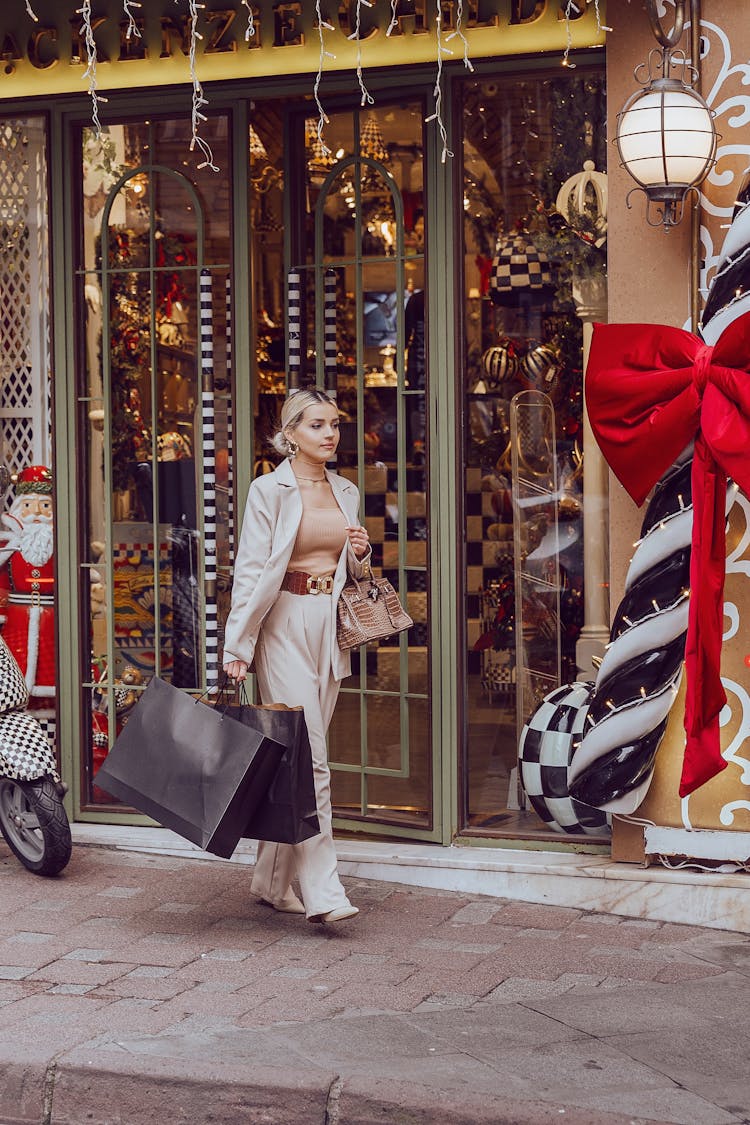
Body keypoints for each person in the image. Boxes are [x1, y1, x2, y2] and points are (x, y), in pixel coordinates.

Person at [222, 388, 371, 924]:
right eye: (316, 425)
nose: (330, 434)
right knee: (312, 761)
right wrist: (238, 645)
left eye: (334, 424)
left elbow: (350, 573)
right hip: (281, 623)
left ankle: (270, 880)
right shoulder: (269, 490)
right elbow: (250, 570)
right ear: (289, 434)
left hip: (327, 628)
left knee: (295, 758)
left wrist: (359, 552)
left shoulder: (346, 489)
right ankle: (324, 890)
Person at [0, 465, 56, 714]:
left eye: (45, 506)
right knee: (17, 667)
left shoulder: (61, 543)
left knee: (51, 668)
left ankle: (54, 718)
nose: (37, 513)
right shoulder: (8, 544)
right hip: (17, 619)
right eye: (29, 506)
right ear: (18, 508)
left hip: (52, 618)